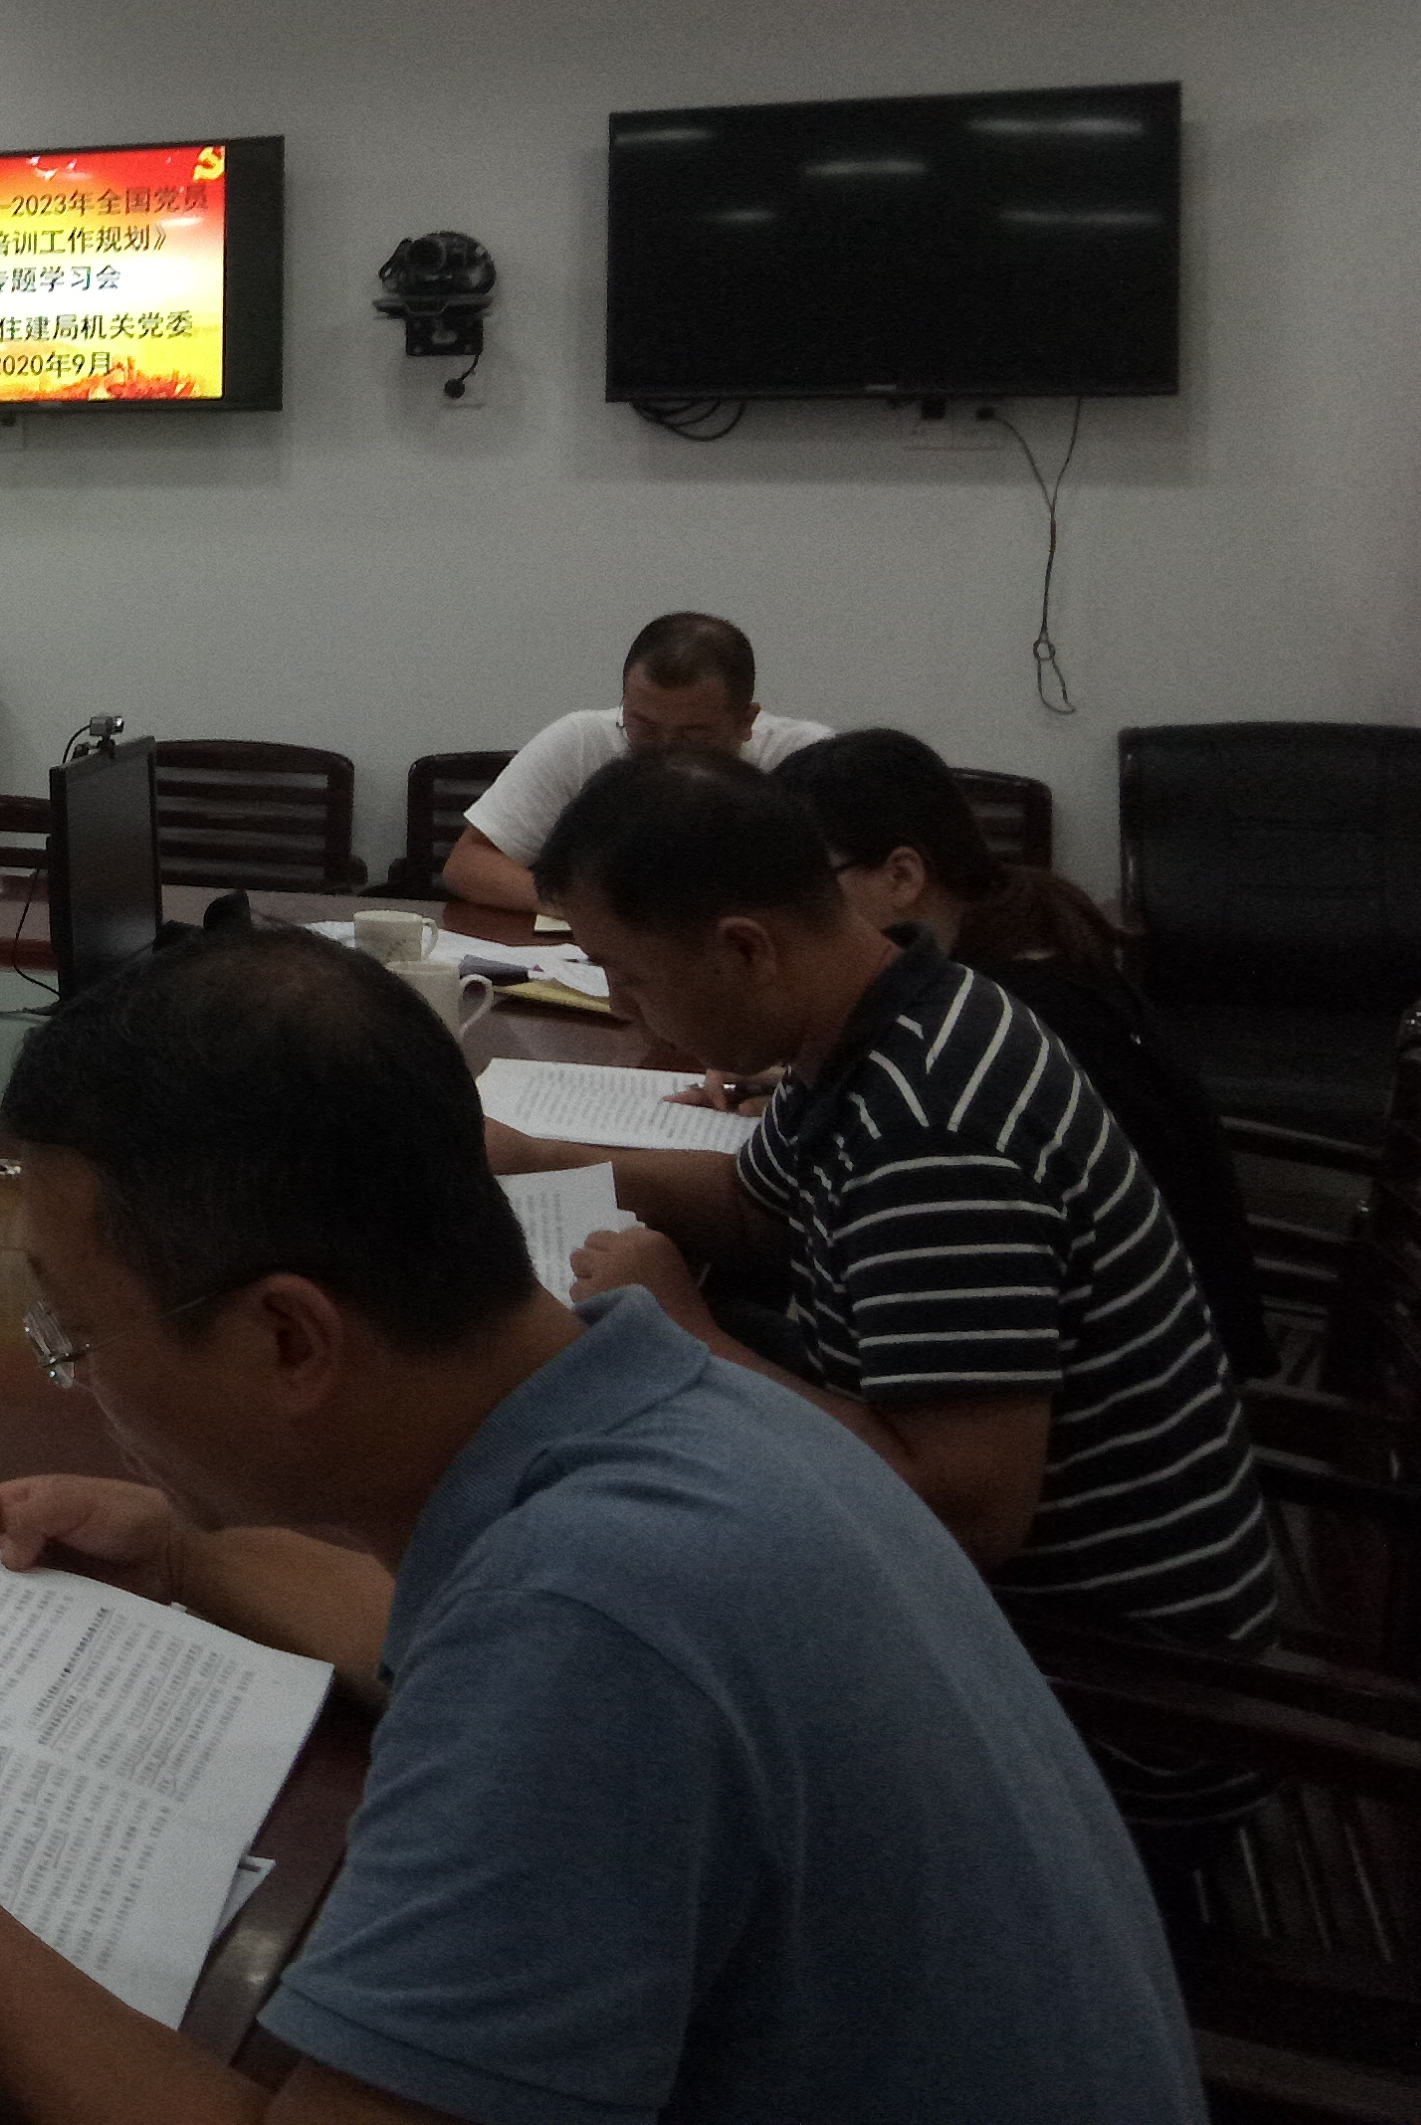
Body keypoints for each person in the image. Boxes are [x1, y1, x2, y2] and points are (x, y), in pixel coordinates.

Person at [0, 926, 1201, 2125]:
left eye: (75, 1332)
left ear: (290, 1339)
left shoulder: (588, 1620)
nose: (76, 1376)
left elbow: (551, 1672)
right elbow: (452, 1644)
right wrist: (182, 1551)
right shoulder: (671, 1410)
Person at [504, 749, 1276, 1832]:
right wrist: (529, 1157)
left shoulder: (930, 1133)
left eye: (627, 975)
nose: (630, 1008)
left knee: (585, 1682)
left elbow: (966, 1512)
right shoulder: (897, 1010)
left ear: (745, 949)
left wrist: (684, 1334)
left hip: (1112, 1713)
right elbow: (754, 1209)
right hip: (1033, 1625)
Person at [770, 728, 1271, 1382]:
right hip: (1138, 1333)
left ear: (903, 877)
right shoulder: (1011, 933)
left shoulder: (986, 1026)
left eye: (803, 885)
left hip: (1150, 1371)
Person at [442, 612, 830, 914]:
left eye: (692, 736)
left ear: (746, 721)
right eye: (643, 727)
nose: (664, 752)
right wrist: (591, 911)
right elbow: (470, 865)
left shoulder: (810, 761)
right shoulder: (583, 741)